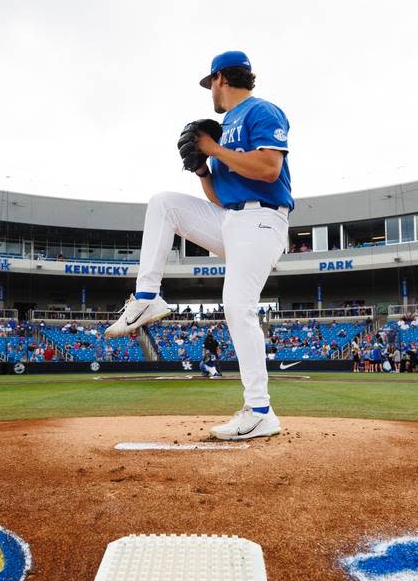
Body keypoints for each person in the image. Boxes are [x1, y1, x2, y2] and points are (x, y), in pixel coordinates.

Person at [105, 51, 291, 441]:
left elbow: (269, 168)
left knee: (238, 306)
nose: (212, 95)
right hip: (232, 219)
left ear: (221, 78)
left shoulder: (262, 111)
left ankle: (260, 410)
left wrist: (214, 149)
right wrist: (203, 169)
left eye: (211, 85)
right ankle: (146, 297)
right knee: (163, 203)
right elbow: (220, 199)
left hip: (262, 220)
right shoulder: (222, 130)